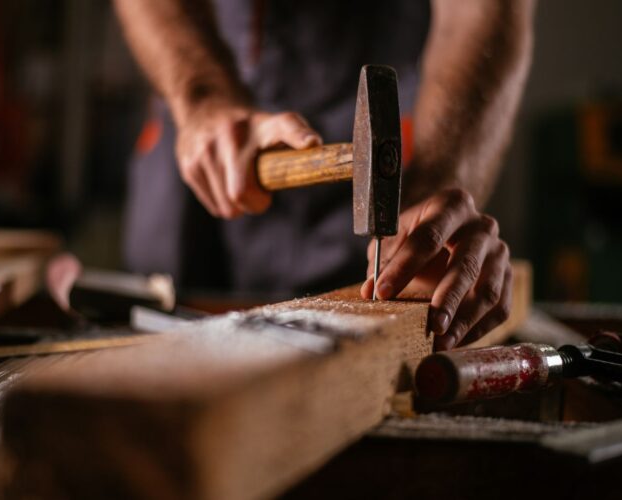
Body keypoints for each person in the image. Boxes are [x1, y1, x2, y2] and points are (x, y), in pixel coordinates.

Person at [115, 0, 534, 350]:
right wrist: (200, 93)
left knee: (372, 337)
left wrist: (438, 192)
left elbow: (480, 12)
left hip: (400, 182)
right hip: (198, 168)